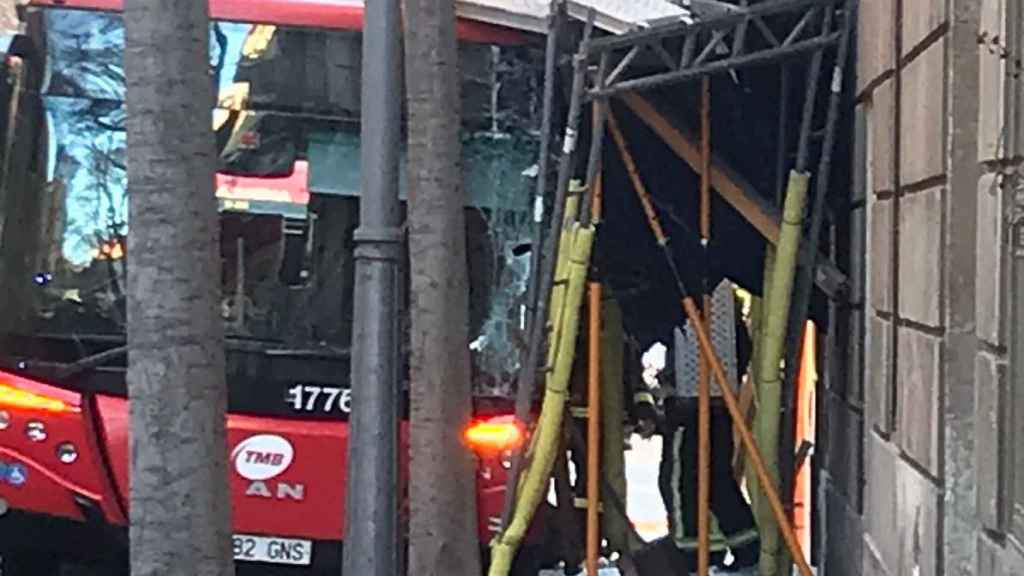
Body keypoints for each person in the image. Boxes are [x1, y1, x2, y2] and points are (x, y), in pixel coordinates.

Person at [634, 279, 759, 575]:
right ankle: (745, 550)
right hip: (718, 403)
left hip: (690, 407)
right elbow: (743, 349)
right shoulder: (725, 303)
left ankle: (691, 552)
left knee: (680, 481)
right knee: (717, 480)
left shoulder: (681, 295)